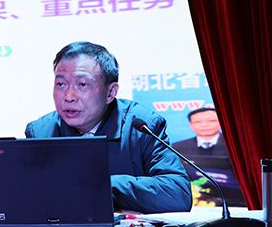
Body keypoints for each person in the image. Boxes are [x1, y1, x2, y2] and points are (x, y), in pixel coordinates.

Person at [25, 41, 192, 214]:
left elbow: (178, 194)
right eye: (61, 84)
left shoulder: (141, 126)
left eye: (82, 84)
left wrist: (104, 186)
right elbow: (27, 199)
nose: (68, 96)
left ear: (110, 93)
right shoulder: (41, 133)